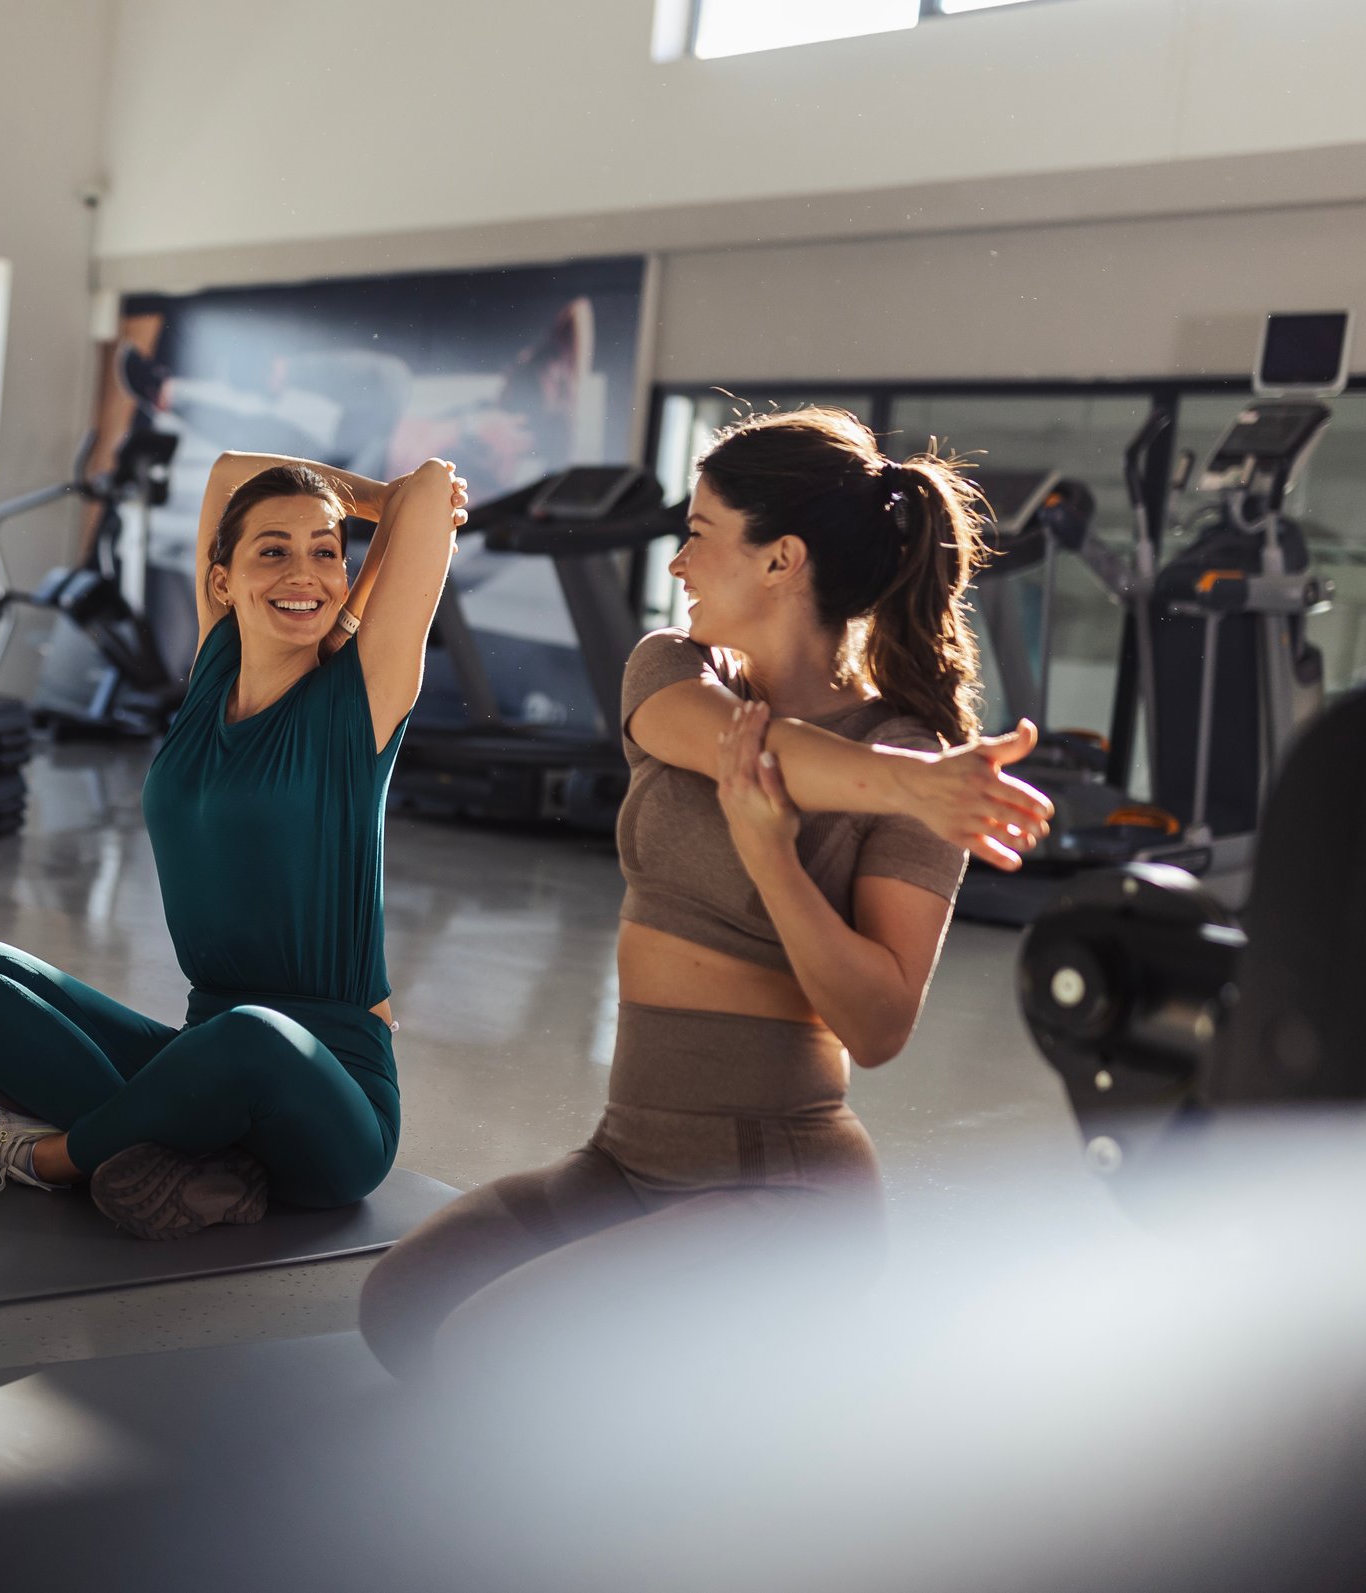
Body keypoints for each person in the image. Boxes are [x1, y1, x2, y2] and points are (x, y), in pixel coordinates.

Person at [357, 407, 1056, 1376]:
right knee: (398, 1309)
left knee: (489, 1355)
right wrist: (913, 787)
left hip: (780, 1187)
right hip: (628, 1156)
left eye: (697, 536)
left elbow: (879, 1025)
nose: (678, 564)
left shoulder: (904, 751)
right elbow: (746, 749)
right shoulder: (672, 671)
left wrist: (776, 858)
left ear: (782, 560)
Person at [0, 451, 469, 1240]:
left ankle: (57, 1157)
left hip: (329, 1096)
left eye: (325, 552)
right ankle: (191, 1156)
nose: (303, 572)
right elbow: (229, 471)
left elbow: (435, 485)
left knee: (251, 1034)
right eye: (272, 550)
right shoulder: (216, 668)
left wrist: (378, 510)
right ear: (221, 583)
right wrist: (365, 498)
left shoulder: (362, 700)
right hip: (202, 1053)